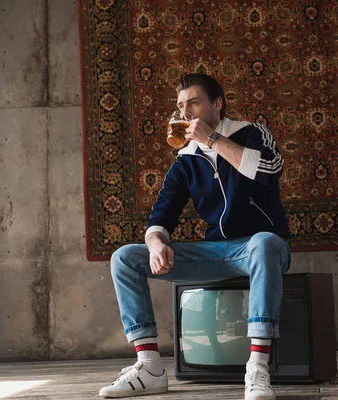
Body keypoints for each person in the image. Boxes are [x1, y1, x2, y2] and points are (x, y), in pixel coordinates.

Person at [98, 73, 291, 400]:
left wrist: (213, 139)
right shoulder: (185, 161)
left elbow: (270, 169)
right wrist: (156, 241)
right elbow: (161, 213)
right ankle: (149, 367)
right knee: (125, 258)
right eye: (180, 106)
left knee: (265, 241)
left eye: (193, 103)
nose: (184, 113)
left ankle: (257, 368)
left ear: (216, 104)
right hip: (215, 253)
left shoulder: (250, 133)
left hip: (260, 249)